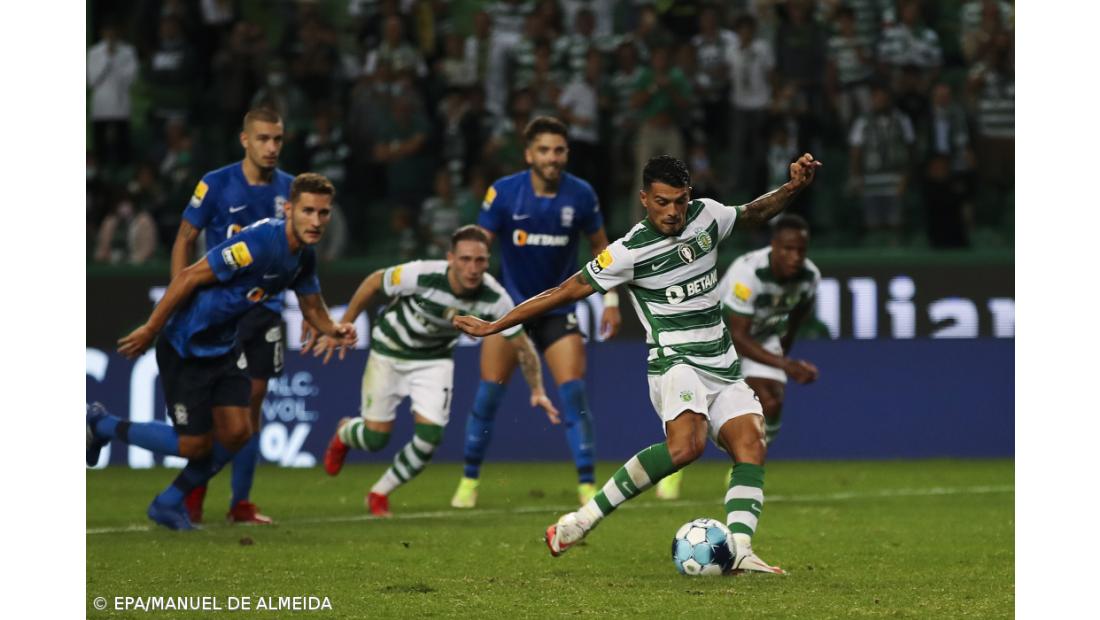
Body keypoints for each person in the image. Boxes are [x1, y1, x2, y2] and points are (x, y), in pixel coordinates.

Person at [454, 153, 822, 573]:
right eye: (662, 202)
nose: (672, 212)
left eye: (680, 201)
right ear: (645, 199)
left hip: (721, 362)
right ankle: (580, 521)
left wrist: (793, 187)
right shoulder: (627, 252)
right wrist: (497, 323)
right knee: (687, 447)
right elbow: (562, 291)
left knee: (752, 444)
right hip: (675, 361)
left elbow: (753, 212)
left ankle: (739, 549)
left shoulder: (708, 217)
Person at [88, 173, 356, 530]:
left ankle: (168, 502)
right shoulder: (259, 242)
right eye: (308, 211)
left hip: (223, 348)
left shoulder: (303, 257)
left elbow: (312, 308)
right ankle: (100, 425)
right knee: (192, 446)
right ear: (289, 209)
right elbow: (189, 277)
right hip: (187, 345)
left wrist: (336, 329)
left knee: (238, 431)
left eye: (323, 213)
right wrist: (152, 328)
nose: (317, 221)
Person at [317, 225, 559, 517]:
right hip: (389, 352)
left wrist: (537, 389)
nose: (472, 268)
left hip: (434, 361)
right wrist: (343, 324)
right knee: (375, 440)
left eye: (480, 261)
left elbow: (522, 345)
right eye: (465, 259)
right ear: (451, 259)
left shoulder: (495, 298)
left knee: (430, 437)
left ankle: (379, 492)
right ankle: (345, 432)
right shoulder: (421, 273)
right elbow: (373, 281)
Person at [451, 116, 621, 510]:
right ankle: (468, 481)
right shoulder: (505, 193)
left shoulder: (581, 195)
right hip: (510, 310)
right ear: (529, 154)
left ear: (567, 153)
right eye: (544, 150)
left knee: (574, 393)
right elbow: (478, 247)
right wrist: (464, 297)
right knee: (488, 396)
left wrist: (611, 301)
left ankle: (585, 487)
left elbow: (602, 247)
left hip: (559, 308)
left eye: (559, 150)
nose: (552, 157)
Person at [168, 107, 294, 525]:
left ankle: (241, 502)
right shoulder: (216, 183)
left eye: (277, 139)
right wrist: (180, 291)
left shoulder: (291, 192)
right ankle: (191, 498)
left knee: (251, 408)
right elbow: (185, 237)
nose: (271, 147)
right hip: (220, 313)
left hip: (266, 312)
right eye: (263, 139)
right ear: (245, 140)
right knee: (211, 418)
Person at [656, 214, 821, 500]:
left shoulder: (810, 277)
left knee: (771, 402)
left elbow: (796, 316)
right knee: (696, 411)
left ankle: (744, 466)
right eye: (788, 249)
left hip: (763, 338)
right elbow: (738, 335)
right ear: (773, 246)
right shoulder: (749, 273)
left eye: (801, 251)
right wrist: (787, 365)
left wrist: (785, 351)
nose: (795, 257)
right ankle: (676, 469)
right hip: (715, 338)